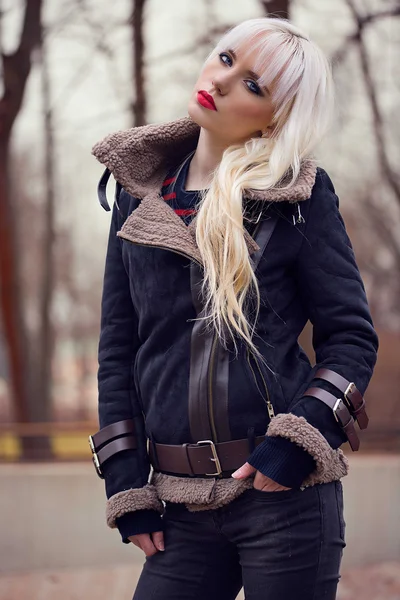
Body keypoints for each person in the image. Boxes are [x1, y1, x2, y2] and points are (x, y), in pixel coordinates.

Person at [89, 16, 379, 600]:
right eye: (225, 59)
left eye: (254, 84)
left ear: (276, 116)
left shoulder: (298, 197)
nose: (222, 81)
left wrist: (296, 445)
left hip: (283, 500)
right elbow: (118, 348)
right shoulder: (137, 195)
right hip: (179, 509)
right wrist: (126, 483)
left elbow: (350, 336)